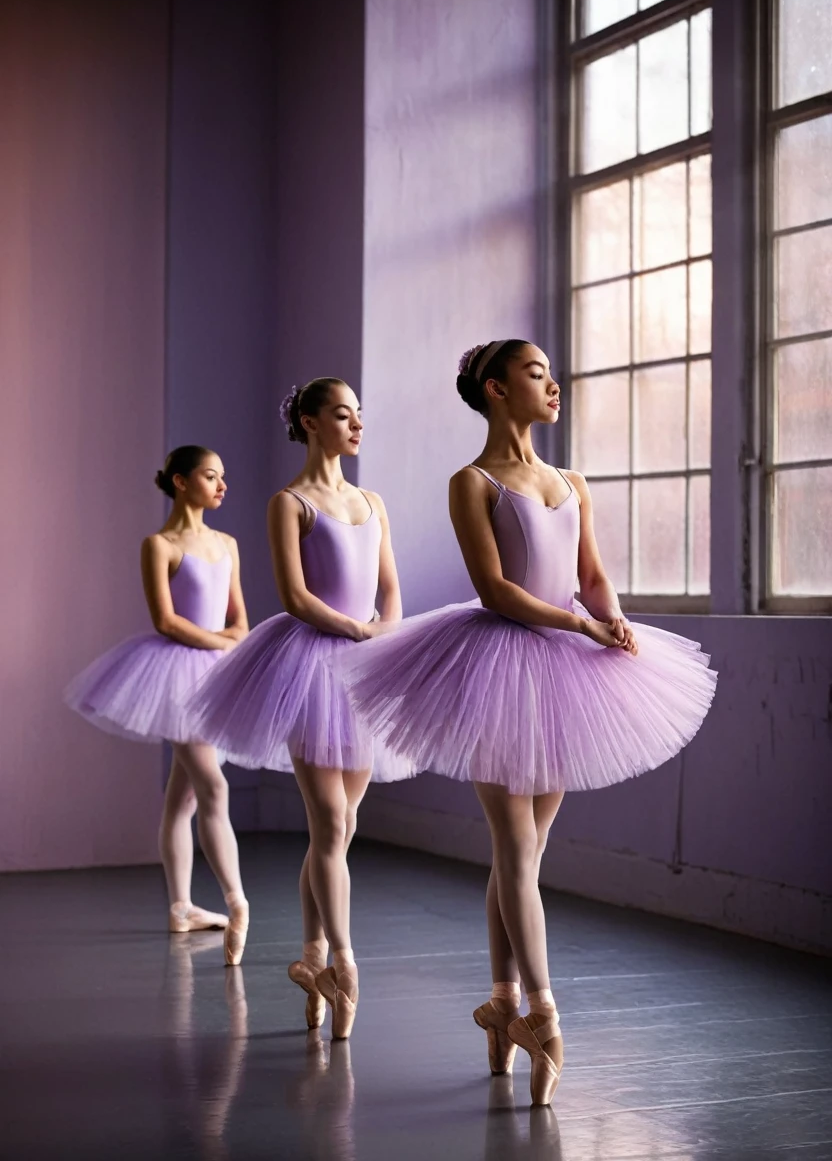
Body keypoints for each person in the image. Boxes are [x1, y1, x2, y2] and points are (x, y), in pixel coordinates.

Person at [341, 340, 717, 1104]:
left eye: (551, 372)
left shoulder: (570, 480)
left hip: (566, 677)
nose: (554, 384)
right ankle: (544, 1016)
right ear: (495, 388)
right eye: (537, 373)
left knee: (526, 854)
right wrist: (578, 627)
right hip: (496, 667)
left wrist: (609, 620)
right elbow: (495, 589)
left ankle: (501, 1004)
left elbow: (592, 575)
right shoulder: (472, 482)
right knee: (514, 846)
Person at [186, 379, 411, 1039]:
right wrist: (356, 631)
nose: (356, 424)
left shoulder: (372, 502)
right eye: (342, 414)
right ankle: (343, 962)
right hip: (310, 664)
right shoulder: (290, 502)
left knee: (337, 834)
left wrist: (384, 634)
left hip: (367, 665)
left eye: (359, 414)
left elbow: (391, 588)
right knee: (331, 818)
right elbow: (294, 594)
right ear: (310, 423)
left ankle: (312, 956)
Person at [65, 446, 250, 965]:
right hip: (174, 674)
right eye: (210, 476)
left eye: (223, 476)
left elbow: (240, 619)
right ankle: (238, 901)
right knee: (213, 783)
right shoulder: (160, 545)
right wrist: (223, 644)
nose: (221, 485)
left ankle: (181, 906)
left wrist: (230, 644)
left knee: (184, 796)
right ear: (179, 481)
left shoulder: (228, 544)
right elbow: (166, 621)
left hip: (215, 669)